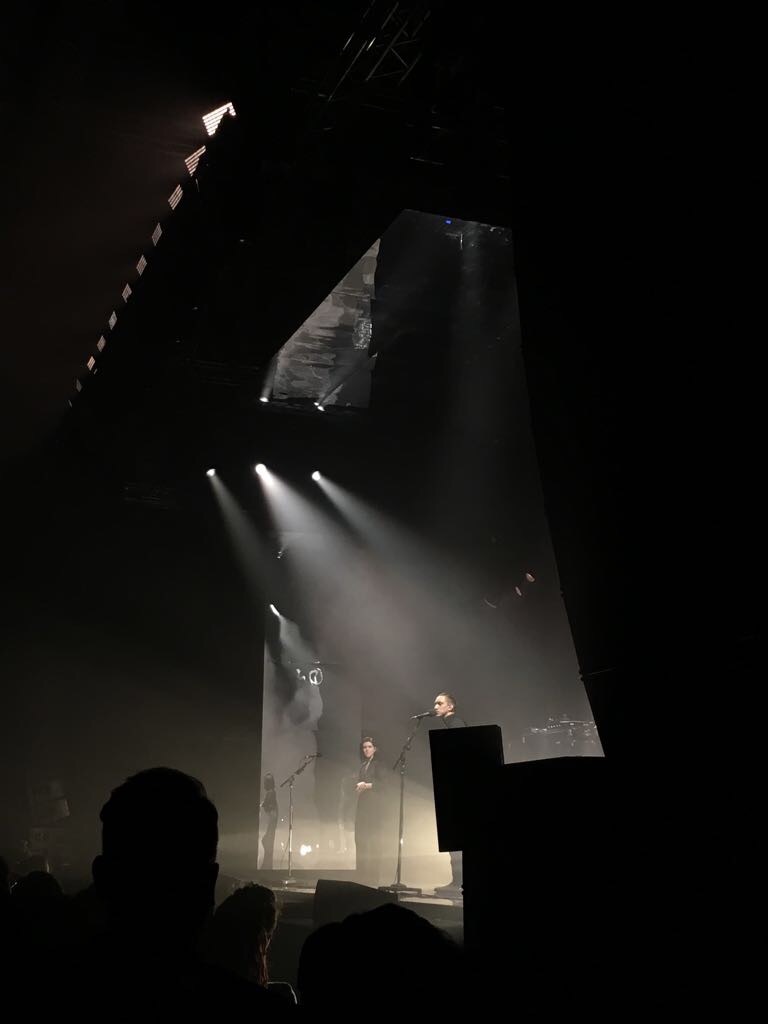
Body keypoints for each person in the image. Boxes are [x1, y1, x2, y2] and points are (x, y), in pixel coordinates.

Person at [432, 693, 467, 892]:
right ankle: (457, 881)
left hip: (459, 787)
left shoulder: (456, 723)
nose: (435, 706)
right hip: (453, 785)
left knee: (457, 835)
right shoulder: (448, 723)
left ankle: (460, 881)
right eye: (435, 704)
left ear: (450, 706)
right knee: (453, 836)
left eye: (440, 703)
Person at [354, 737, 383, 886]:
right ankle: (361, 877)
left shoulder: (378, 765)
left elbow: (384, 784)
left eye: (369, 746)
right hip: (363, 807)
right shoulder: (363, 765)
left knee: (373, 842)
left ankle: (373, 877)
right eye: (364, 747)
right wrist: (359, 788)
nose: (366, 749)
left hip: (374, 807)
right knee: (361, 841)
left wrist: (367, 785)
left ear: (375, 748)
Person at [260, 774, 278, 870]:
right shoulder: (271, 793)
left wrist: (263, 806)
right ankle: (267, 865)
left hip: (271, 821)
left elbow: (270, 808)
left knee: (267, 842)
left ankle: (267, 866)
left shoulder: (271, 793)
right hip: (271, 821)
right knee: (267, 842)